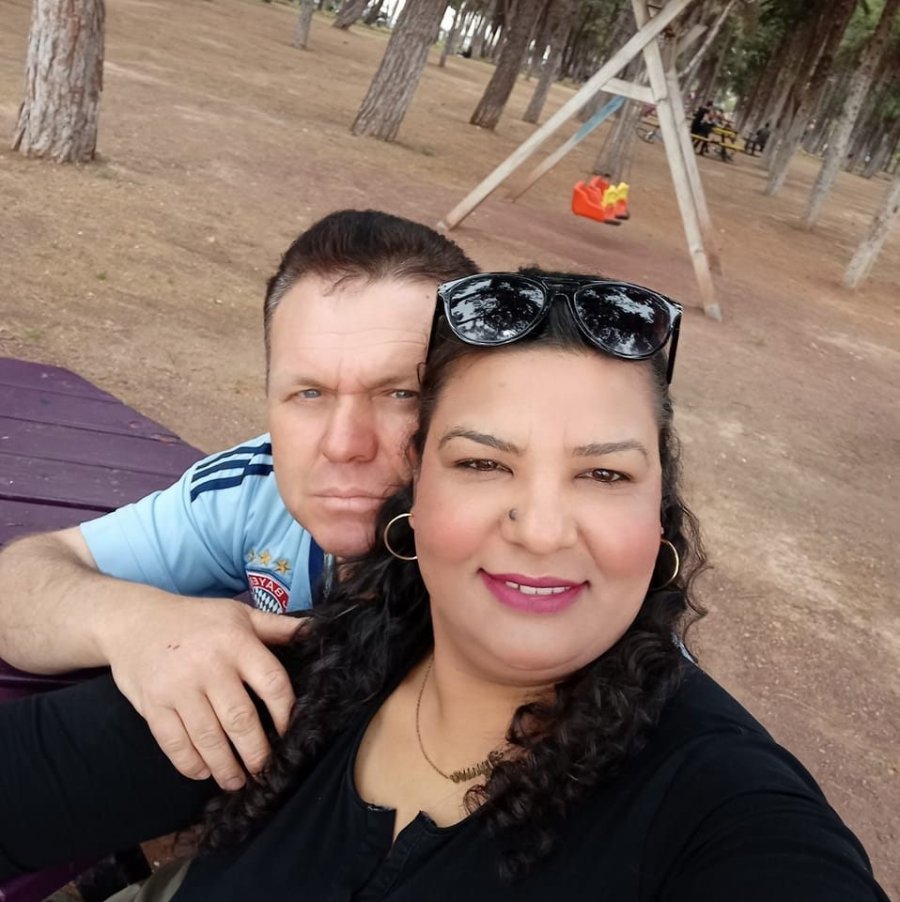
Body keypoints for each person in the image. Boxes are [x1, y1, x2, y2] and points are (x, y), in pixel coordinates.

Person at [0, 271, 888, 900]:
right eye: (483, 463)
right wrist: (133, 622)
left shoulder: (720, 807)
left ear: (660, 517)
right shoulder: (309, 674)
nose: (542, 528)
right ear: (414, 497)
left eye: (605, 474)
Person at [0, 209, 476, 791]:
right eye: (309, 393)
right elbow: (18, 584)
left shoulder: (525, 546)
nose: (344, 444)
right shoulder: (250, 488)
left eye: (401, 393)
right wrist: (130, 619)